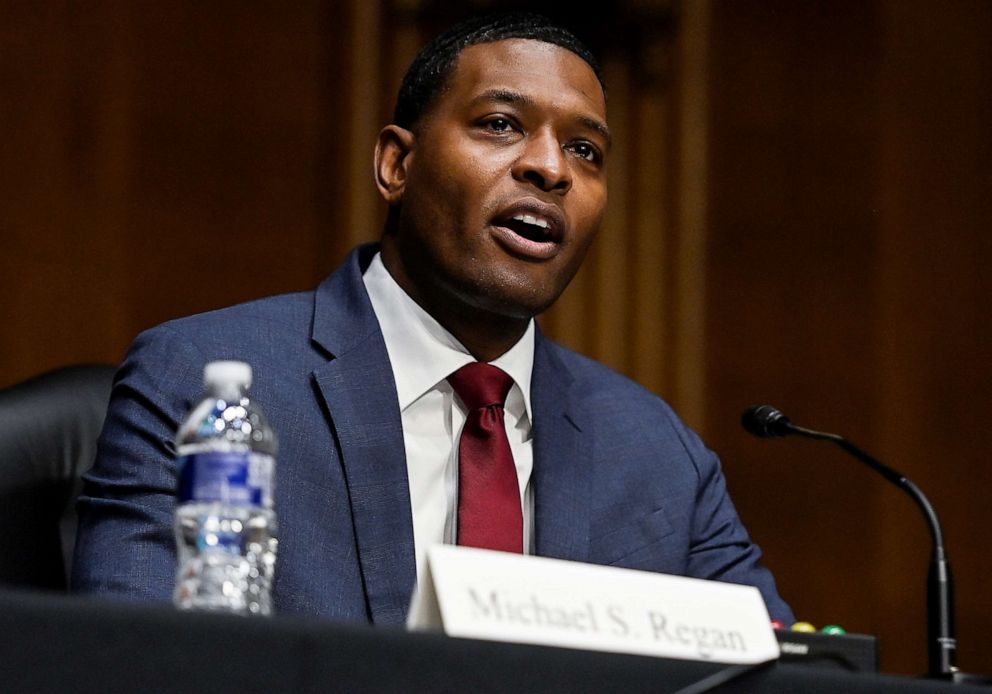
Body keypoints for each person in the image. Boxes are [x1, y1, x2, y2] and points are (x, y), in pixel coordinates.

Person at [72, 12, 794, 626]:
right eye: (502, 124)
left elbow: (788, 672)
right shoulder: (208, 379)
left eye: (585, 150)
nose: (551, 168)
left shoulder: (658, 455)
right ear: (396, 164)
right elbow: (134, 659)